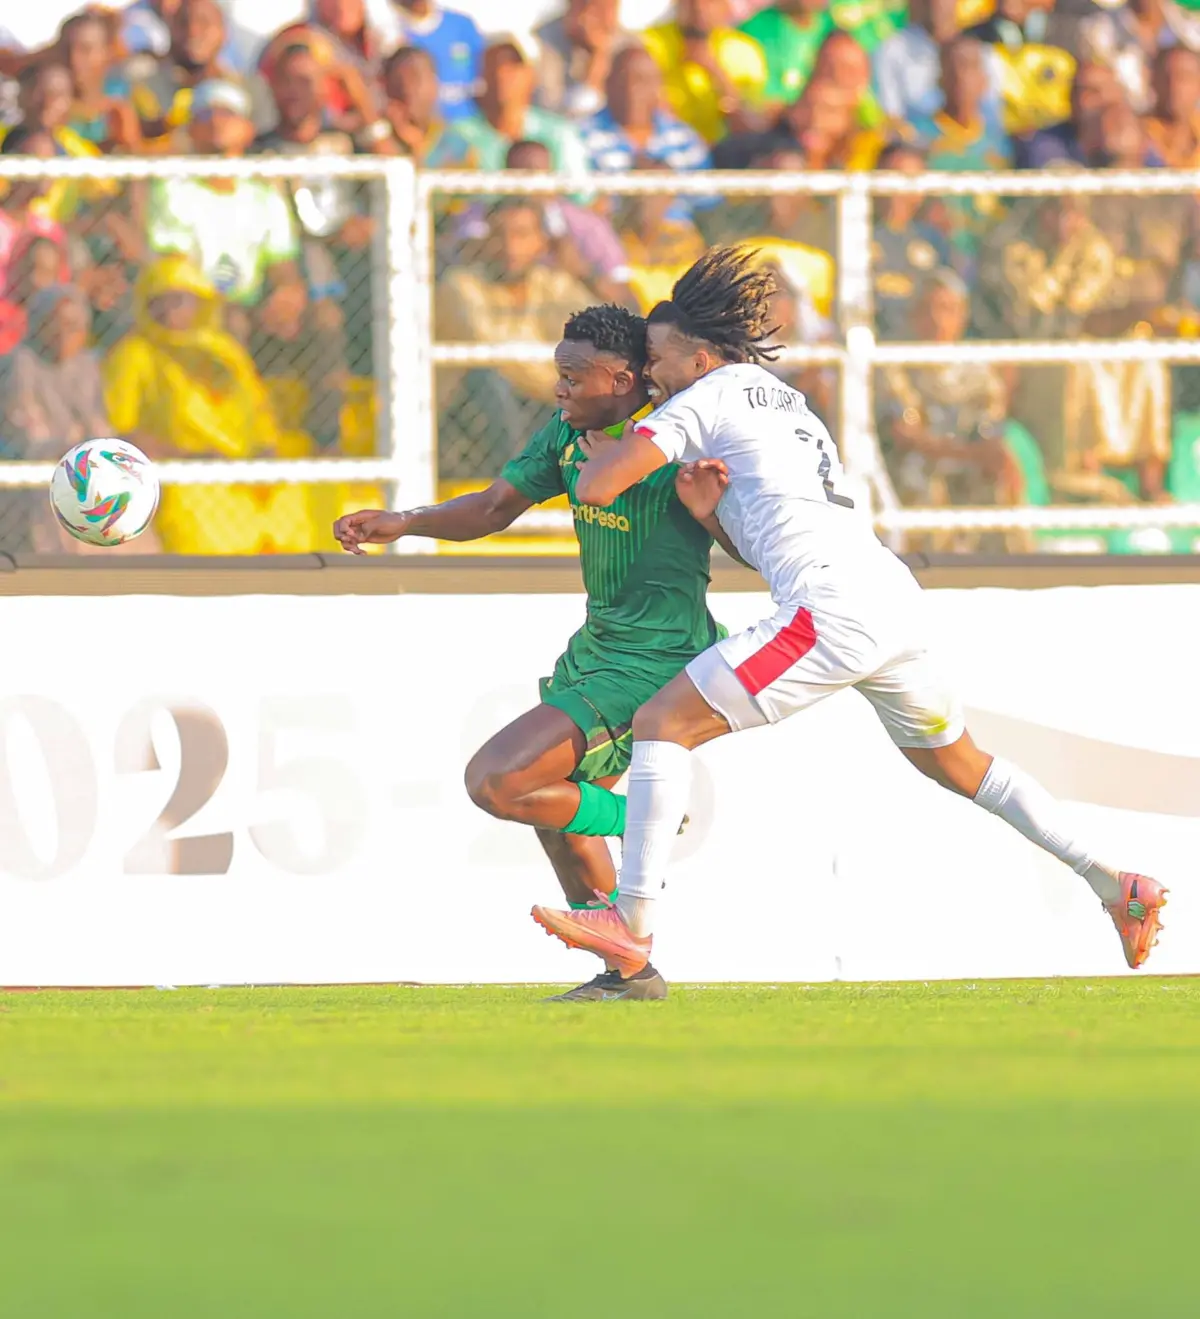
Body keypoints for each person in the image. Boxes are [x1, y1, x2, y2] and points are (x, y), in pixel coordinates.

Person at [528, 246, 1167, 979]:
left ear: (700, 358)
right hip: (889, 597)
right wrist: (706, 514)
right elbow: (774, 536)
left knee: (660, 722)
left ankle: (632, 923)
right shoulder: (783, 401)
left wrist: (604, 440)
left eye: (659, 359)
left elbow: (600, 486)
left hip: (832, 610)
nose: (651, 375)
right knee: (962, 765)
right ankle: (1113, 883)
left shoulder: (703, 397)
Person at [333, 304, 731, 1001]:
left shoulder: (674, 439)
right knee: (557, 805)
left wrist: (710, 512)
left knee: (498, 780)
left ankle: (650, 818)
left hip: (658, 662)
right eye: (560, 373)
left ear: (624, 379)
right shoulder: (567, 434)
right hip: (598, 650)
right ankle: (628, 972)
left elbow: (749, 541)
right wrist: (405, 521)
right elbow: (493, 508)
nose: (559, 388)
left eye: (574, 376)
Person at [102, 255, 308, 555]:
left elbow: (259, 412)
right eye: (161, 301)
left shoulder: (225, 351)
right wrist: (189, 458)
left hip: (244, 472)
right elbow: (120, 432)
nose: (170, 311)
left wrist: (265, 452)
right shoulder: (133, 354)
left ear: (200, 302)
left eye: (180, 300)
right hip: (181, 475)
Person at [435, 198, 596, 477]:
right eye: (499, 235)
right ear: (485, 241)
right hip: (469, 418)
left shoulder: (555, 286)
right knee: (488, 378)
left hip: (544, 401)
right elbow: (496, 354)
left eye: (521, 235)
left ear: (541, 243)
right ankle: (514, 482)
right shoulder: (460, 286)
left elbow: (595, 342)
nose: (509, 247)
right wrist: (557, 383)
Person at [440, 33, 589, 174]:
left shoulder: (560, 135)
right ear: (482, 73)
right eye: (494, 64)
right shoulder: (458, 136)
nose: (501, 73)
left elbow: (580, 191)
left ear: (532, 75)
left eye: (513, 65)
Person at [642, 0, 769, 144]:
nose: (699, 7)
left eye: (710, 2)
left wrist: (716, 72)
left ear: (726, 6)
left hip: (724, 147)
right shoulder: (649, 43)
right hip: (667, 144)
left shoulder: (743, 51)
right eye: (692, 1)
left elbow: (754, 123)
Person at [580, 45, 711, 173]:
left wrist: (666, 183)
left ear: (658, 87)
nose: (632, 90)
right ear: (607, 83)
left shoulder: (684, 139)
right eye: (622, 80)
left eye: (642, 80)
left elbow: (706, 186)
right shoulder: (581, 137)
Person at [384, 0, 485, 123]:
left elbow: (486, 77)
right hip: (424, 128)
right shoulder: (393, 37)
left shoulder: (462, 25)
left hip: (471, 122)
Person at [534, 0, 635, 120]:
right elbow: (552, 110)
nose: (602, 15)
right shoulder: (544, 41)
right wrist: (597, 56)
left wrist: (600, 52)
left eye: (609, 6)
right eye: (596, 6)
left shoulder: (631, 48)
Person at [1143, 45, 1200, 167]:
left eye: (1184, 77)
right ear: (1153, 82)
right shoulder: (1140, 138)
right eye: (1166, 77)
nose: (1174, 86)